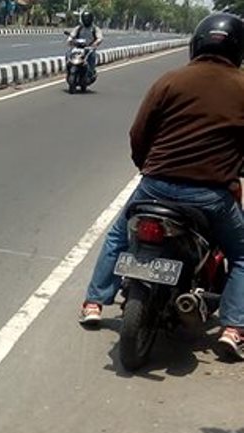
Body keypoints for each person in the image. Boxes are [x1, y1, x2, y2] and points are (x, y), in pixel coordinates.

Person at [79, 13, 244, 361]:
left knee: (117, 236)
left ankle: (94, 302)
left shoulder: (170, 80)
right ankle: (233, 327)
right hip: (210, 196)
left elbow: (139, 133)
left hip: (155, 188)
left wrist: (148, 170)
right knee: (242, 253)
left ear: (196, 44)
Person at [68, 10, 103, 79]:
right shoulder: (79, 28)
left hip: (89, 48)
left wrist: (95, 43)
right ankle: (68, 69)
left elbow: (100, 38)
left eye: (87, 18)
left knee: (92, 56)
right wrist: (70, 40)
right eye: (85, 18)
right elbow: (72, 35)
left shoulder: (95, 28)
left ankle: (90, 72)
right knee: (68, 54)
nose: (86, 20)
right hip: (78, 47)